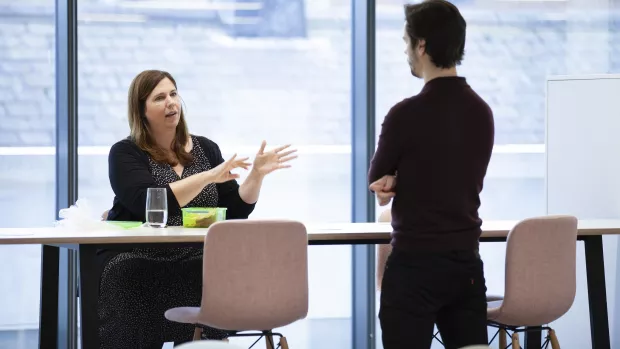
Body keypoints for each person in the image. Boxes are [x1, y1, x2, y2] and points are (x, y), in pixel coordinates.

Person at [99, 69, 297, 349]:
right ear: (141, 110)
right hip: (140, 257)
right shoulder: (126, 152)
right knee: (126, 272)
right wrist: (209, 176)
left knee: (218, 270)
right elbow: (150, 202)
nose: (171, 103)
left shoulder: (205, 148)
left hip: (198, 258)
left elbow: (235, 210)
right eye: (159, 98)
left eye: (173, 93)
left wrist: (256, 175)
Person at [368, 1, 495, 349]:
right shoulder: (482, 112)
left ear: (421, 45)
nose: (406, 51)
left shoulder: (405, 114)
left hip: (414, 265)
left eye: (407, 41)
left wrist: (393, 181)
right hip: (466, 264)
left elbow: (377, 178)